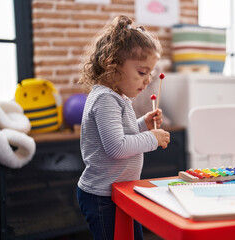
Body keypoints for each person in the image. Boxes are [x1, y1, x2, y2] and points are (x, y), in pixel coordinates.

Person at [76, 15, 170, 240]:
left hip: (120, 192)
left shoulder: (118, 98)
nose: (147, 81)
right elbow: (117, 147)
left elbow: (122, 135)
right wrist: (153, 138)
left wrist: (143, 124)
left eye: (150, 74)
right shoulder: (105, 99)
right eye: (141, 72)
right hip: (102, 197)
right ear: (113, 64)